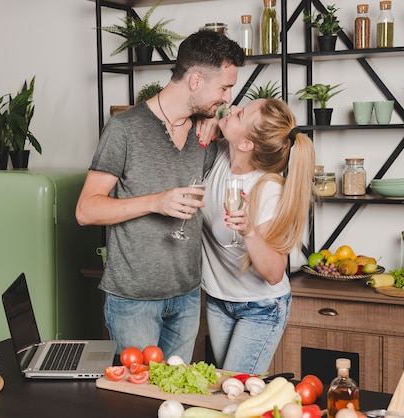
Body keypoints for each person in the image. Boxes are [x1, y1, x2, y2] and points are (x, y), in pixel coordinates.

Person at [75, 30, 245, 362]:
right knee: (140, 404)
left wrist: (220, 120)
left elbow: (255, 152)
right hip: (133, 300)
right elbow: (86, 209)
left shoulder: (203, 130)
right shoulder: (125, 129)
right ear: (196, 79)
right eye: (224, 88)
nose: (227, 97)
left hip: (187, 295)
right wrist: (156, 202)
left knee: (174, 401)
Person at [200, 98, 315, 374]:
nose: (233, 108)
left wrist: (249, 231)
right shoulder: (222, 156)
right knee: (225, 388)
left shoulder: (268, 190)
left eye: (240, 114)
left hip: (260, 307)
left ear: (247, 144)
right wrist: (210, 119)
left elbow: (275, 272)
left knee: (234, 394)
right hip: (218, 299)